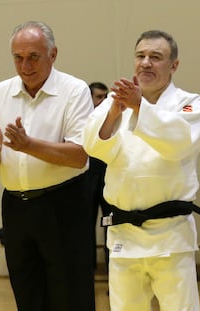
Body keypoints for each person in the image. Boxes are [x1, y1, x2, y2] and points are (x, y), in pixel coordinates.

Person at [83, 30, 200, 311]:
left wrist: (139, 106)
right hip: (124, 234)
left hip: (170, 233)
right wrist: (115, 111)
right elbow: (93, 146)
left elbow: (181, 143)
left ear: (173, 65)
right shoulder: (117, 101)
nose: (146, 63)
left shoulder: (189, 102)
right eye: (141, 56)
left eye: (156, 57)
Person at [0, 21, 95, 311]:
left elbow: (80, 156)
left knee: (70, 295)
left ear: (53, 54)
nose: (25, 65)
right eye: (18, 57)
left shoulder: (74, 91)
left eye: (33, 56)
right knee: (27, 295)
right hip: (15, 207)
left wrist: (29, 145)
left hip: (63, 206)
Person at [88, 82, 113, 271]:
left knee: (111, 227)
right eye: (99, 96)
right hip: (86, 181)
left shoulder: (114, 118)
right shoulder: (82, 119)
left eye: (106, 96)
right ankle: (87, 273)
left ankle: (113, 272)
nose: (103, 100)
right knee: (85, 228)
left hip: (109, 180)